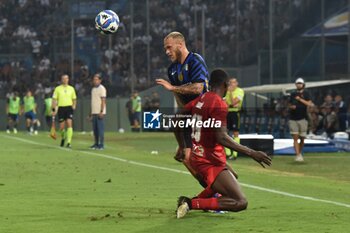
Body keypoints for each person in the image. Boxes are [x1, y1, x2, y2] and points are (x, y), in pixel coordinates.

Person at [175, 69, 271, 218]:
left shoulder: (202, 98)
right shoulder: (219, 103)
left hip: (200, 156)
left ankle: (191, 201)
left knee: (233, 175)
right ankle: (191, 203)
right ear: (225, 85)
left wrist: (182, 145)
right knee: (240, 202)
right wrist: (252, 153)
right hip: (209, 161)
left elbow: (176, 119)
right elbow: (222, 138)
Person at [156, 31, 209, 179]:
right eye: (165, 49)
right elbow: (179, 96)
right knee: (187, 158)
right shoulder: (172, 69)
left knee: (205, 157)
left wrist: (172, 88)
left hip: (204, 114)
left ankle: (223, 185)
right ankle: (212, 190)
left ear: (180, 44)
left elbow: (198, 88)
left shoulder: (195, 60)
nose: (167, 52)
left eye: (169, 47)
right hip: (190, 115)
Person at [288, 77, 313, 162]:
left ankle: (299, 153)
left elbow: (309, 104)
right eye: (297, 83)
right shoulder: (293, 94)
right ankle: (297, 154)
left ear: (303, 84)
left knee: (302, 138)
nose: (299, 85)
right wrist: (292, 107)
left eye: (300, 83)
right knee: (295, 137)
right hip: (293, 118)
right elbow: (289, 104)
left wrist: (300, 99)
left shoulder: (306, 94)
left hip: (303, 118)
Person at [51, 74, 77, 148]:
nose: (65, 80)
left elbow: (74, 98)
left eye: (66, 78)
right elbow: (54, 100)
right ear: (61, 80)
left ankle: (69, 142)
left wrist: (74, 105)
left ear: (68, 79)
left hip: (69, 108)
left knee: (69, 123)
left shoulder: (71, 88)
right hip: (61, 108)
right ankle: (63, 137)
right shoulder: (57, 89)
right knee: (62, 127)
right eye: (63, 79)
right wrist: (54, 109)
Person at [224, 78, 244, 159]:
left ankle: (235, 154)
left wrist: (231, 93)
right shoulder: (226, 92)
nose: (232, 84)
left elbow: (233, 103)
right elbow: (224, 104)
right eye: (231, 83)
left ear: (237, 83)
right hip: (227, 113)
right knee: (225, 132)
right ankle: (228, 153)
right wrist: (230, 105)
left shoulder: (240, 91)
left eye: (234, 82)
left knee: (235, 133)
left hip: (235, 113)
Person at [89, 74, 107, 150]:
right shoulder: (93, 89)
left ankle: (101, 144)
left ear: (100, 80)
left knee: (100, 129)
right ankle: (96, 143)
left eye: (96, 79)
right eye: (94, 79)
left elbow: (103, 101)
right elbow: (93, 102)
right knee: (95, 129)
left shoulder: (102, 88)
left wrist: (102, 111)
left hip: (99, 112)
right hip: (94, 112)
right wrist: (90, 113)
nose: (95, 81)